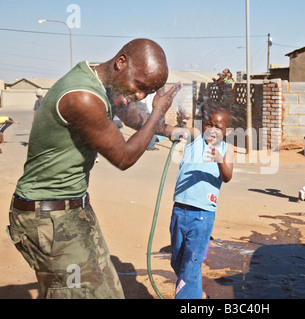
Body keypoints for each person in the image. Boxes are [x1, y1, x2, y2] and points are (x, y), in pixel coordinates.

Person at [7, 38, 185, 299]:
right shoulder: (83, 97)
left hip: (74, 210)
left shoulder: (104, 83)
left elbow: (131, 115)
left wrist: (171, 130)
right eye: (140, 87)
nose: (139, 96)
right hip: (47, 219)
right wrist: (159, 112)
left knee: (108, 292)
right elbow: (124, 158)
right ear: (121, 62)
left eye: (148, 92)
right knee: (75, 293)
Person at [170, 108, 234, 299]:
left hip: (202, 214)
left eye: (218, 127)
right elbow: (173, 130)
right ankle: (196, 294)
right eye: (209, 124)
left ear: (227, 132)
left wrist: (220, 160)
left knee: (192, 262)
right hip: (179, 210)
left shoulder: (226, 149)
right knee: (178, 260)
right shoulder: (196, 138)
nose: (212, 130)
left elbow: (228, 176)